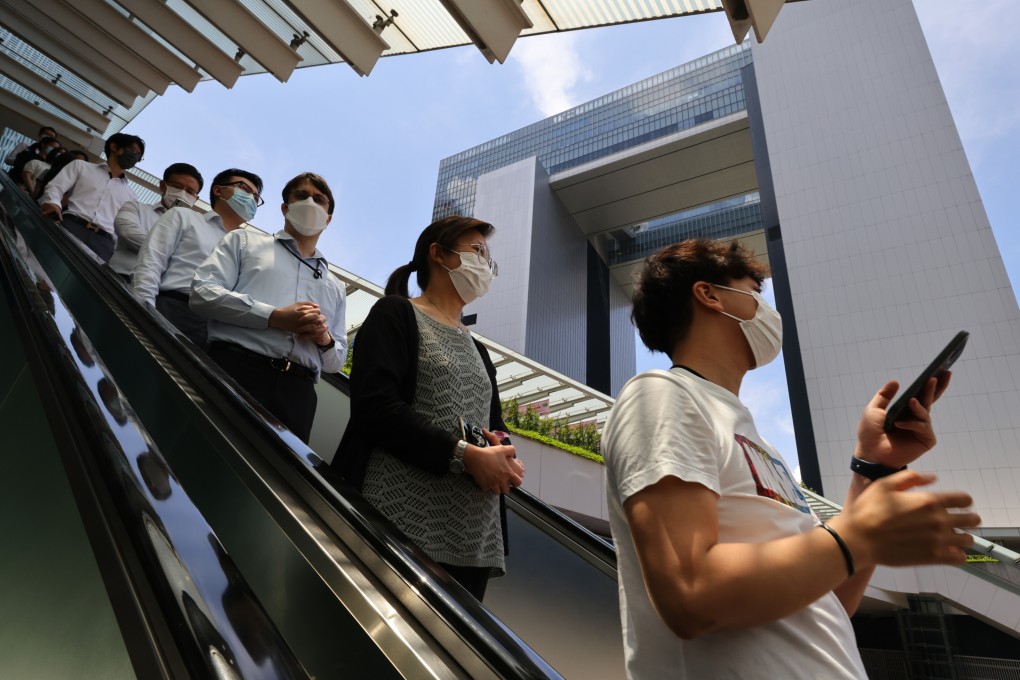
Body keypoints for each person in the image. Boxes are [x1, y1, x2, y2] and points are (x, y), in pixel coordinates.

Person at [602, 239, 980, 679]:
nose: (766, 310)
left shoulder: (753, 439)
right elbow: (690, 594)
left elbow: (830, 596)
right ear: (709, 294)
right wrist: (855, 536)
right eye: (754, 292)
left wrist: (874, 469)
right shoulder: (660, 396)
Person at [332, 215, 525, 601]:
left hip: (472, 538)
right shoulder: (396, 314)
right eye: (478, 252)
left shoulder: (479, 349)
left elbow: (496, 425)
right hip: (399, 517)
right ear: (438, 254)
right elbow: (376, 408)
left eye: (489, 258)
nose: (485, 264)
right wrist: (463, 455)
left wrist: (503, 454)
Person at [190, 172, 346, 444]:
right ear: (284, 207)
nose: (310, 202)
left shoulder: (336, 286)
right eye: (301, 195)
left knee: (280, 480)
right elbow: (202, 293)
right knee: (205, 445)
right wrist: (274, 317)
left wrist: (324, 339)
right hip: (235, 369)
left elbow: (337, 362)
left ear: (329, 218)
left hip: (299, 392)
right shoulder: (243, 241)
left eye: (319, 199)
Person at [133, 168, 262, 346]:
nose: (251, 199)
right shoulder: (183, 216)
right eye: (245, 190)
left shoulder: (250, 249)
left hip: (216, 330)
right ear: (218, 190)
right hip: (171, 308)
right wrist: (143, 309)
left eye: (256, 198)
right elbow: (152, 261)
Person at [39, 132, 144, 262]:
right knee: (46, 264)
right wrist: (53, 203)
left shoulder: (132, 195)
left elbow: (124, 226)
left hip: (103, 243)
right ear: (114, 146)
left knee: (79, 281)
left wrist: (114, 248)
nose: (134, 156)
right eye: (132, 150)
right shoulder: (81, 166)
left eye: (138, 156)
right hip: (71, 226)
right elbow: (55, 187)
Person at [109, 163, 203, 282]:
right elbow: (127, 233)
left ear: (195, 198)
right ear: (163, 186)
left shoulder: (193, 230)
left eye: (190, 191)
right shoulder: (135, 208)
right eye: (177, 186)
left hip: (159, 292)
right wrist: (174, 254)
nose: (182, 194)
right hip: (121, 276)